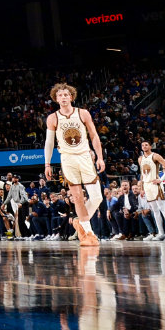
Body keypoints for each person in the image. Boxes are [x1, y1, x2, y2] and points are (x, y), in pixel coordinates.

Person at [42, 82, 104, 246]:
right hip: (67, 159)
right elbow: (49, 142)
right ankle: (88, 233)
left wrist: (100, 157)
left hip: (85, 156)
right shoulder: (53, 118)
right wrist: (47, 164)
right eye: (59, 95)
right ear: (56, 99)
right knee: (77, 197)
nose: (63, 97)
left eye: (65, 94)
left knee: (97, 197)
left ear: (71, 97)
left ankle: (80, 222)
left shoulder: (83, 113)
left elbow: (94, 136)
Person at [137, 142, 165, 240]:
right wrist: (142, 188)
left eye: (146, 145)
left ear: (150, 146)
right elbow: (142, 174)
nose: (144, 146)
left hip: (155, 184)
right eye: (142, 145)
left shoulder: (155, 156)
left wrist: (161, 179)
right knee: (154, 210)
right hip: (147, 185)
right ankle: (161, 233)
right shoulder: (140, 158)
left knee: (162, 208)